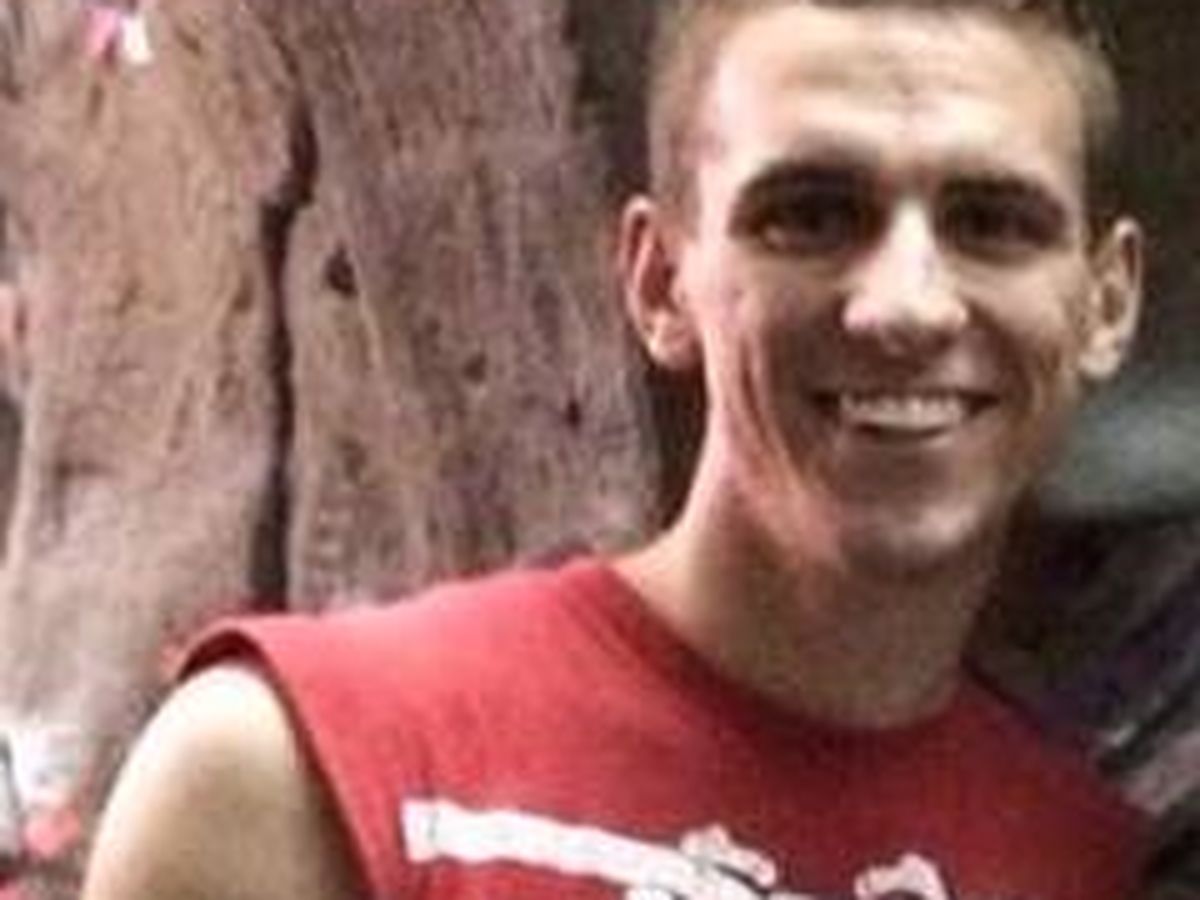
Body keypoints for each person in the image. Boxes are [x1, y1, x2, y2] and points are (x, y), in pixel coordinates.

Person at [81, 1, 1147, 898]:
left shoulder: (1078, 860)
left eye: (994, 224)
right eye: (811, 217)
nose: (904, 306)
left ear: (1107, 302)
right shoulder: (304, 775)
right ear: (658, 283)